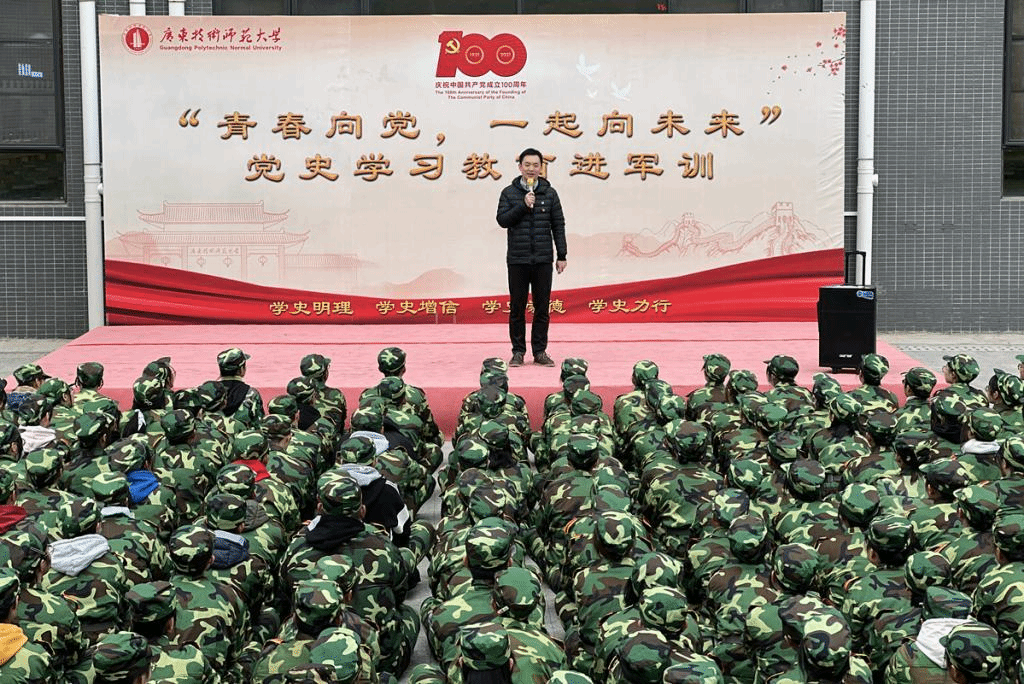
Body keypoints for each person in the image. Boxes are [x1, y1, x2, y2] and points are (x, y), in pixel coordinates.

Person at [496, 147, 567, 368]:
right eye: (527, 165)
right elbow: (502, 220)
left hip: (543, 260)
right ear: (520, 167)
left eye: (536, 165)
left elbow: (558, 225)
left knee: (542, 307)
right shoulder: (509, 193)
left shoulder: (550, 193)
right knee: (517, 308)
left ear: (541, 168)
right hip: (518, 260)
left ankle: (540, 351)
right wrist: (523, 205)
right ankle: (518, 352)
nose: (531, 169)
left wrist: (562, 254)